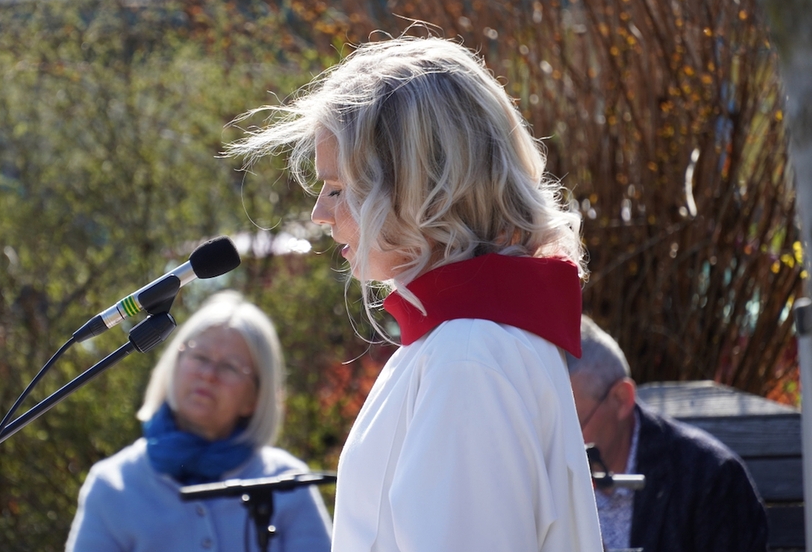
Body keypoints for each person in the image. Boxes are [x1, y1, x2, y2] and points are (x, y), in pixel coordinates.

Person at [230, 36, 603, 551]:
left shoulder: (468, 355)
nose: (319, 214)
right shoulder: (469, 340)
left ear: (419, 189)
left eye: (337, 189)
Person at [65, 290, 333, 552]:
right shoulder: (114, 484)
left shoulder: (288, 483)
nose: (208, 374)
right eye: (200, 357)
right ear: (174, 364)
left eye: (230, 367)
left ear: (255, 397)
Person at [567, 315, 769, 552]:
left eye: (573, 426)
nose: (562, 444)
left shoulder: (709, 478)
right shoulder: (546, 474)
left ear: (621, 399)